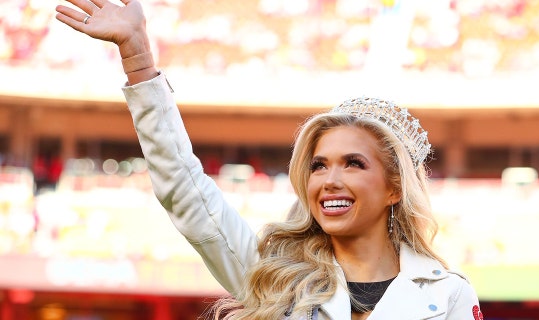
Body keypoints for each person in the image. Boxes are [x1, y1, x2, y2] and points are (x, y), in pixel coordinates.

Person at [55, 0, 482, 319]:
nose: (329, 180)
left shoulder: (448, 296)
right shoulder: (272, 274)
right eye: (318, 165)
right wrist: (138, 59)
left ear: (394, 187)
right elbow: (186, 193)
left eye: (353, 163)